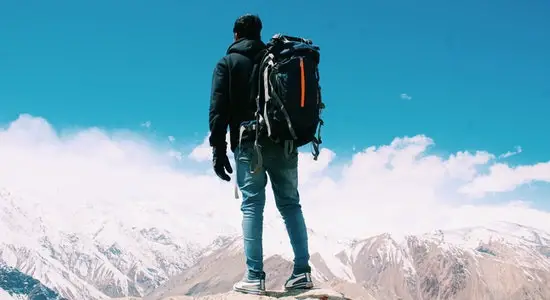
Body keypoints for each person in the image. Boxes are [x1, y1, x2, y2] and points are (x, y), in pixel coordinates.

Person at [208, 13, 314, 295]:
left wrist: (218, 150)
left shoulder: (228, 63)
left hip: (249, 143)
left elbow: (219, 110)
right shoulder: (277, 59)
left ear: (235, 35)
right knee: (291, 205)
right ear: (259, 33)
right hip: (284, 142)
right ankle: (302, 272)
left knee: (253, 206)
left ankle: (254, 277)